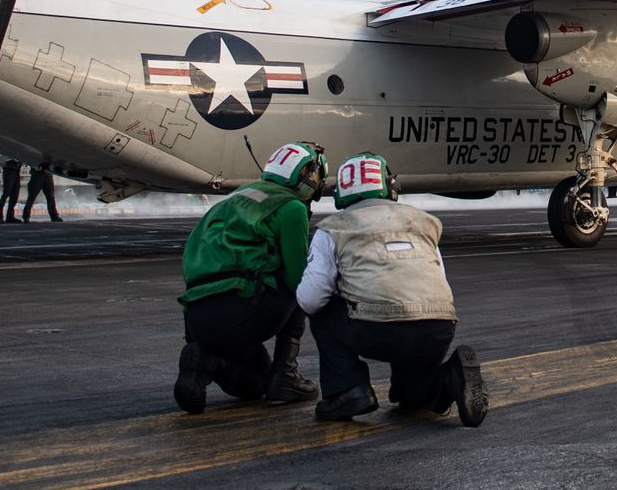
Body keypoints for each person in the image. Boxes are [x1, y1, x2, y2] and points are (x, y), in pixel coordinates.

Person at [297, 152, 488, 426]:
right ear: (390, 185)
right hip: (437, 326)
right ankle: (452, 376)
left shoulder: (332, 229)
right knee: (412, 397)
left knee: (322, 308)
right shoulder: (425, 221)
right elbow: (439, 277)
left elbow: (310, 299)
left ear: (341, 191)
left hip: (375, 328)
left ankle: (348, 390)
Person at [172, 142, 325, 414]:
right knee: (304, 286)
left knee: (257, 386)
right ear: (308, 176)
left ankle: (206, 361)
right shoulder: (291, 207)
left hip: (196, 319)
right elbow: (297, 277)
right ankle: (287, 375)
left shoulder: (238, 195)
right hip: (241, 311)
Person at [0, 157, 23, 223]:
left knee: (14, 195)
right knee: (6, 193)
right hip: (9, 170)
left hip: (16, 170)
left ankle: (9, 216)